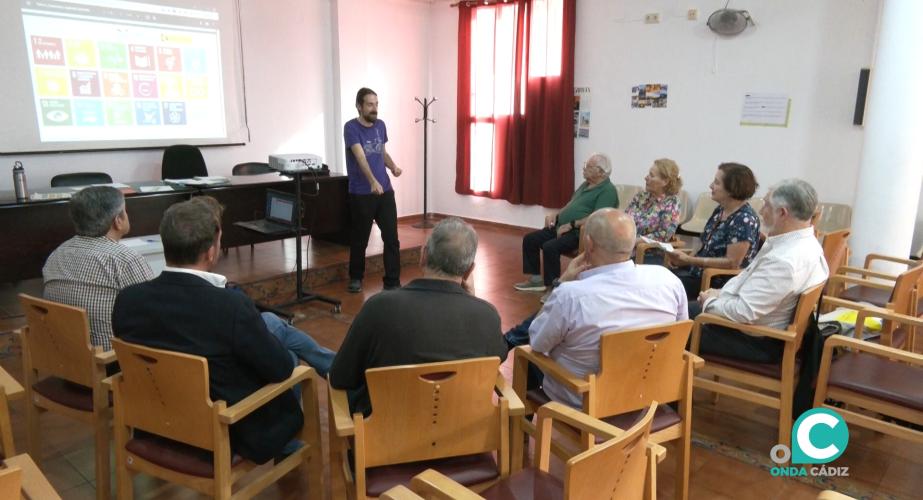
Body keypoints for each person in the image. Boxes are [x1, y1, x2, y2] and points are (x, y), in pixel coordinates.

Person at [113, 199, 334, 463]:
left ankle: (332, 364)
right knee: (287, 353)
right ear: (210, 251)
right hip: (226, 430)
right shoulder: (229, 306)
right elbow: (281, 370)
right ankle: (293, 434)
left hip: (156, 426)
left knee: (272, 326)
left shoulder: (128, 300)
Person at [329, 217, 508, 416]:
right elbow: (496, 358)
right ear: (469, 271)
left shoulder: (378, 307)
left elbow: (340, 377)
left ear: (423, 257)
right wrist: (472, 301)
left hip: (388, 437)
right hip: (461, 436)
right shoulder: (487, 316)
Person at [528, 208, 688, 407]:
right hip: (649, 396)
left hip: (587, 401)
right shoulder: (668, 279)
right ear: (633, 244)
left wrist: (562, 281)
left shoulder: (570, 294)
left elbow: (537, 342)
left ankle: (521, 435)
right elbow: (680, 334)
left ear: (589, 244)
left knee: (527, 356)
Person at [692, 179, 829, 364]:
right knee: (672, 311)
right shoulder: (807, 244)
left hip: (754, 340)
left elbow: (744, 312)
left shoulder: (784, 260)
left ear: (782, 213)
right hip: (755, 328)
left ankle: (663, 387)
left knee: (664, 325)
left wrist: (710, 302)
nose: (761, 211)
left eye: (766, 205)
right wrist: (720, 294)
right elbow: (750, 282)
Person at [43, 186, 154, 351]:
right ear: (118, 220)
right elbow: (155, 313)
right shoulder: (126, 260)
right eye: (125, 210)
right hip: (108, 361)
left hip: (62, 354)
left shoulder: (56, 254)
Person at [514, 153, 618, 293]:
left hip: (578, 233)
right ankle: (536, 280)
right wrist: (556, 214)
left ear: (600, 172)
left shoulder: (608, 191)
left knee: (550, 247)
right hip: (560, 227)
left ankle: (554, 289)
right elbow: (571, 204)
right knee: (530, 239)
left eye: (588, 166)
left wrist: (572, 224)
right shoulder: (586, 184)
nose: (584, 168)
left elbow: (598, 217)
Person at [666, 163, 761, 299]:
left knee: (662, 288)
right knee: (658, 278)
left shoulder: (744, 219)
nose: (711, 186)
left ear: (731, 189)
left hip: (714, 281)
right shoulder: (720, 210)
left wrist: (690, 260)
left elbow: (732, 263)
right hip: (697, 273)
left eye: (716, 182)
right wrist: (683, 260)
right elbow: (704, 242)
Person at [344, 87, 402, 293]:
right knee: (360, 239)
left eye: (376, 104)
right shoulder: (351, 128)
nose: (374, 108)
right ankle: (356, 278)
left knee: (391, 238)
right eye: (370, 104)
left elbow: (381, 152)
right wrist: (371, 181)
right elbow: (360, 157)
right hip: (361, 192)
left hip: (385, 191)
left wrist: (393, 166)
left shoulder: (380, 125)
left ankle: (393, 281)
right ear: (359, 106)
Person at [625, 158, 683, 244]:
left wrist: (632, 242)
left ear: (665, 181)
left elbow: (663, 235)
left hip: (648, 251)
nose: (646, 178)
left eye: (651, 175)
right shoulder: (641, 196)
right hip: (625, 244)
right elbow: (625, 219)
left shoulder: (672, 203)